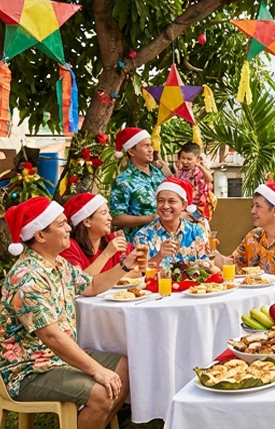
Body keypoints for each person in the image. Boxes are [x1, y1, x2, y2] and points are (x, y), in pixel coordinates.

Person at [1, 197, 144, 429]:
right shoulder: (28, 278)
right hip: (29, 371)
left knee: (125, 367)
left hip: (56, 360)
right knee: (102, 392)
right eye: (61, 224)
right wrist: (97, 370)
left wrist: (124, 266)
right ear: (40, 235)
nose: (69, 227)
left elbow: (92, 286)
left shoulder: (57, 264)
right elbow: (51, 337)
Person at [214, 181, 275, 300]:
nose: (252, 211)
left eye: (258, 206)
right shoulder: (252, 237)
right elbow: (233, 264)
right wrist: (212, 253)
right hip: (260, 305)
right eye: (253, 206)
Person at [133, 177, 215, 279]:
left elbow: (207, 264)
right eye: (161, 201)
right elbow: (137, 272)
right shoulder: (143, 235)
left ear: (184, 205)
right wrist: (159, 256)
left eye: (172, 201)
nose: (166, 206)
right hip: (157, 291)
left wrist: (205, 264)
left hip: (191, 291)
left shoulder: (195, 231)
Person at [109, 127, 171, 238]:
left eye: (151, 145)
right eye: (145, 146)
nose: (151, 149)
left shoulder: (158, 173)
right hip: (140, 244)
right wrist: (150, 218)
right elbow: (116, 218)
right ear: (131, 152)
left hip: (166, 239)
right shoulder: (123, 181)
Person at [60, 193, 136, 277]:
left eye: (108, 212)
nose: (110, 218)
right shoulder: (70, 247)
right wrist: (107, 253)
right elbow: (79, 283)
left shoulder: (112, 240)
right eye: (104, 213)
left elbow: (136, 271)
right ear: (87, 222)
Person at [173, 142, 215, 233]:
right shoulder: (181, 172)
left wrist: (199, 166)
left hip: (197, 208)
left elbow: (209, 179)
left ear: (197, 159)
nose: (185, 161)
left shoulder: (198, 171)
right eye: (183, 158)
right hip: (184, 207)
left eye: (189, 159)